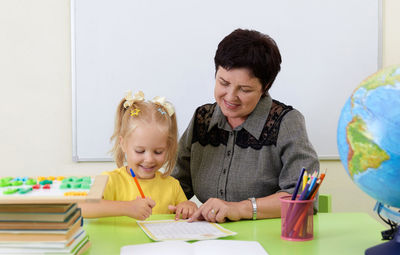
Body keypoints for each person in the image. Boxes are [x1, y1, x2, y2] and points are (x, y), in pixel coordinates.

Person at [172, 28, 319, 223]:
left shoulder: (287, 122)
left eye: (245, 89)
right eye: (223, 82)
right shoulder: (203, 118)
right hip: (208, 238)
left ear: (265, 87)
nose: (230, 97)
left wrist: (240, 208)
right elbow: (175, 185)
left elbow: (303, 197)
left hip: (267, 239)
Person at [80, 91, 198, 220]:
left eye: (158, 152)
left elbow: (185, 213)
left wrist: (188, 206)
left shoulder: (172, 186)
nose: (149, 159)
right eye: (140, 151)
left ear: (168, 148)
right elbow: (81, 207)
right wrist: (127, 208)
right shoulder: (109, 180)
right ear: (123, 144)